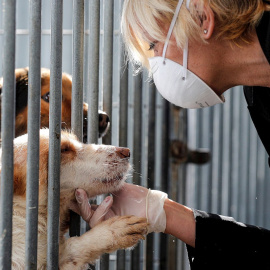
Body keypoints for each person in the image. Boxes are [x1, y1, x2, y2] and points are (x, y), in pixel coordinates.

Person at [73, 1, 270, 269]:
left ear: (203, 18)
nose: (155, 65)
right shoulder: (260, 95)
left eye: (154, 44)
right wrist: (160, 213)